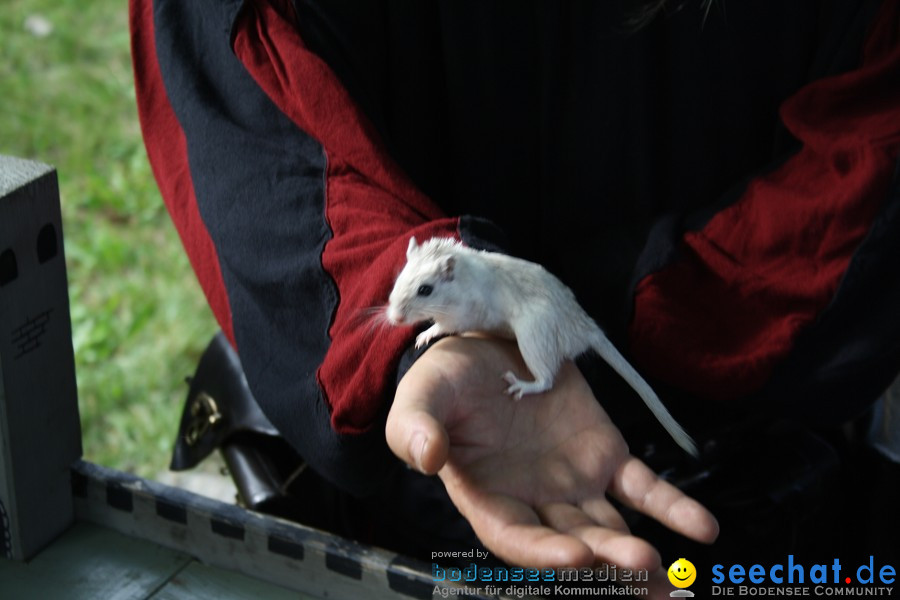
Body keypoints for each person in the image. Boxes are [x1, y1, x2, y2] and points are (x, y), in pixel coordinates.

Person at [129, 0, 900, 588]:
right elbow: (265, 139)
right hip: (393, 471)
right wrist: (406, 349)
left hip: (750, 465)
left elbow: (864, 171)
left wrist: (574, 336)